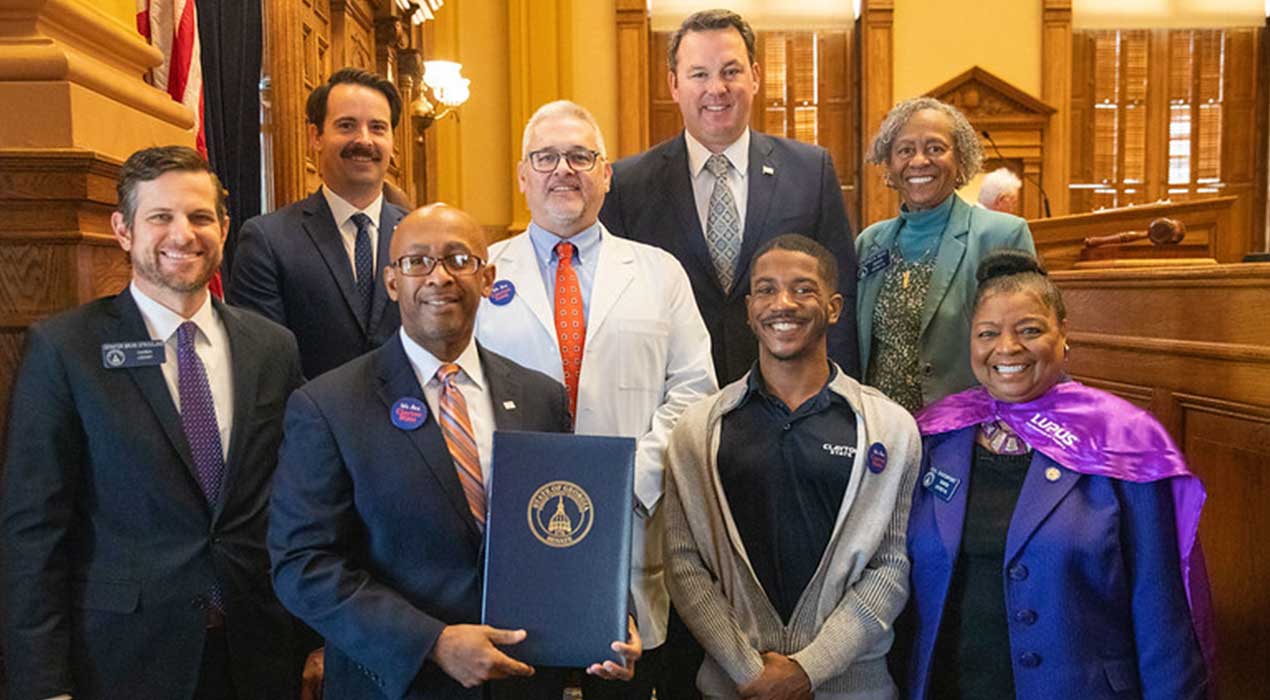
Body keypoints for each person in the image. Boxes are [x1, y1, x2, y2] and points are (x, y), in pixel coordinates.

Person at [268, 203, 640, 699]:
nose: (439, 277)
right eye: (417, 261)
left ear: (487, 278)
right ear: (392, 281)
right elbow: (302, 565)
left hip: (521, 682)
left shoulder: (540, 397)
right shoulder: (328, 406)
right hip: (399, 684)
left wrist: (610, 616)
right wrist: (433, 642)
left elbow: (568, 530)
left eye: (458, 260)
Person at [1, 146, 304, 699]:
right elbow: (31, 529)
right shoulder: (66, 349)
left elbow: (301, 498)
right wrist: (40, 683)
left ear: (224, 227)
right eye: (160, 217)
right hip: (122, 659)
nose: (182, 234)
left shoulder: (272, 347)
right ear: (123, 229)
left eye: (200, 216)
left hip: (258, 652)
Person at [476, 100, 718, 699]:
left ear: (606, 174)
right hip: (508, 531)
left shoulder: (660, 273)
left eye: (582, 156)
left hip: (629, 525)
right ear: (522, 175)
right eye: (547, 157)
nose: (565, 169)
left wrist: (625, 480)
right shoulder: (479, 274)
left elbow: (694, 390)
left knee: (620, 681)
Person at [900, 250, 1213, 699]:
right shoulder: (936, 436)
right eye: (988, 333)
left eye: (1029, 330)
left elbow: (1160, 606)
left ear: (1064, 335)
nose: (1007, 349)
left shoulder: (1125, 440)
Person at [662, 234, 920, 700]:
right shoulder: (697, 430)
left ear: (834, 307)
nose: (783, 303)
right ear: (748, 309)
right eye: (766, 289)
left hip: (855, 690)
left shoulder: (889, 428)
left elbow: (891, 564)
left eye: (803, 289)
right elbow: (684, 564)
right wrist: (749, 673)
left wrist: (806, 671)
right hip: (733, 688)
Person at [599, 8, 858, 387]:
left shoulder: (810, 171)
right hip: (670, 401)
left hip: (787, 400)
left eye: (731, 71)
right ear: (674, 84)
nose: (716, 88)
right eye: (699, 74)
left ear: (755, 76)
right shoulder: (627, 184)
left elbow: (840, 295)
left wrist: (837, 400)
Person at [856, 96, 1036, 413]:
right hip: (882, 432)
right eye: (905, 150)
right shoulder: (869, 243)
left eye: (936, 148)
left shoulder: (1001, 235)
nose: (919, 161)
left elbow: (1025, 342)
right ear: (890, 164)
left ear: (961, 160)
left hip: (966, 430)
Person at [228, 67, 407, 380]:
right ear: (316, 137)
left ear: (392, 141)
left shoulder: (419, 237)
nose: (364, 140)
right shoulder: (267, 240)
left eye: (378, 127)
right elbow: (265, 364)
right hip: (309, 425)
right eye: (347, 125)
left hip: (411, 422)